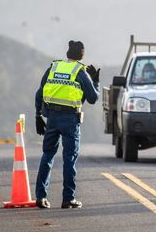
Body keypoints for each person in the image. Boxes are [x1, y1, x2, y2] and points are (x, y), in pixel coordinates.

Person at [34, 40, 100, 209]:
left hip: (52, 118)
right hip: (70, 119)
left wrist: (37, 115)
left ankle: (41, 197)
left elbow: (39, 92)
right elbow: (93, 98)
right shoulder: (81, 71)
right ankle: (68, 198)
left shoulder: (53, 67)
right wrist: (95, 81)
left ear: (67, 53)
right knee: (69, 158)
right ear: (81, 56)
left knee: (47, 155)